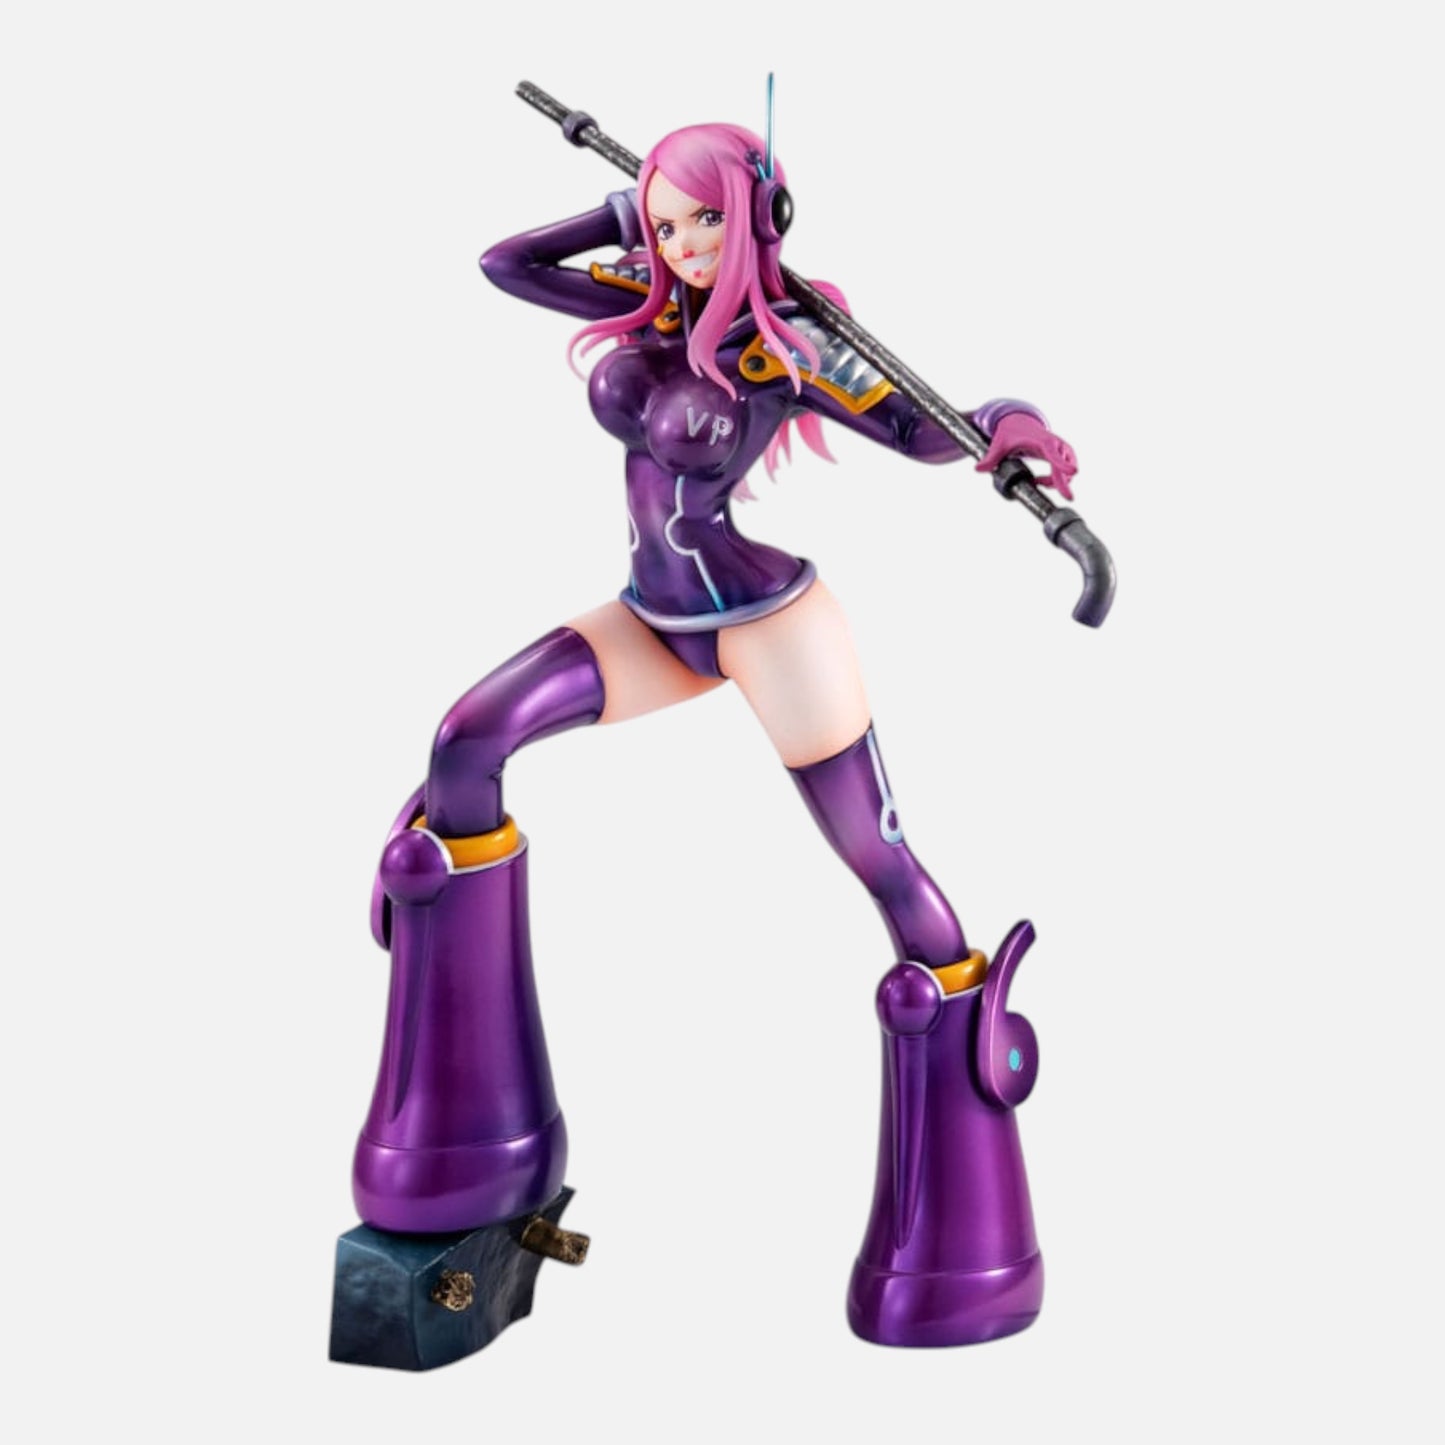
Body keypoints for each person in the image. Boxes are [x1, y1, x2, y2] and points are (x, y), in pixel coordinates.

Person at [350, 123, 1070, 1341]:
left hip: (766, 621)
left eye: (702, 220)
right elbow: (504, 263)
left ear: (754, 221)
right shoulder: (647, 302)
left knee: (883, 870)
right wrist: (613, 217)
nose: (682, 244)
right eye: (665, 221)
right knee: (465, 745)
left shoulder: (785, 344)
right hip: (655, 618)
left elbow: (917, 425)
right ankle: (469, 1136)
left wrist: (1003, 428)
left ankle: (964, 1193)